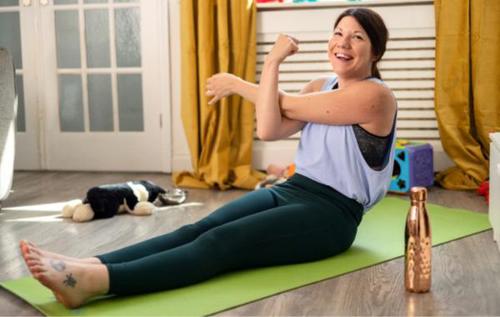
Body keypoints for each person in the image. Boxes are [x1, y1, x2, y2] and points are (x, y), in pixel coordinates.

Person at [20, 7, 397, 309]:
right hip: (291, 190)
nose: (343, 43)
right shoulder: (320, 85)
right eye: (338, 33)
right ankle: (91, 264)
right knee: (193, 230)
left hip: (332, 214)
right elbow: (269, 127)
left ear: (375, 52)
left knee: (222, 242)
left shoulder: (376, 97)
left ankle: (94, 284)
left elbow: (289, 104)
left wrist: (236, 84)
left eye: (357, 37)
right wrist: (271, 64)